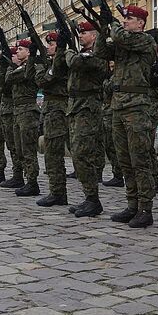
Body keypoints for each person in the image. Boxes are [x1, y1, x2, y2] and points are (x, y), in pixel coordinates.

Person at [94, 5, 158, 228]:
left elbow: (121, 38)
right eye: (124, 19)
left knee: (139, 159)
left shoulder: (145, 41)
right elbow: (100, 52)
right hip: (118, 105)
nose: (125, 22)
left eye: (129, 19)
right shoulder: (122, 41)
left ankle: (144, 208)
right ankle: (132, 204)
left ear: (141, 22)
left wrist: (111, 23)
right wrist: (103, 28)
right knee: (125, 160)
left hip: (136, 106)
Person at [64, 21, 108, 216]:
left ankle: (93, 199)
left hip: (89, 108)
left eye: (85, 33)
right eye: (79, 33)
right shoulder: (82, 53)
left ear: (95, 35)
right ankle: (89, 197)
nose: (80, 36)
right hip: (76, 107)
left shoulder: (98, 56)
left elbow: (74, 62)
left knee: (83, 153)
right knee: (77, 154)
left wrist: (67, 50)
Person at [35, 31, 69, 207]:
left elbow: (44, 81)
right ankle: (56, 191)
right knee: (51, 153)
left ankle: (58, 192)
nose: (48, 47)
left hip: (58, 110)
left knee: (54, 153)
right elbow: (38, 79)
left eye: (52, 44)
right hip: (50, 110)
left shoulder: (61, 61)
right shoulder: (53, 62)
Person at [5, 39, 41, 197]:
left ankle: (33, 182)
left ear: (28, 52)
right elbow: (7, 80)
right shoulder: (19, 68)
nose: (17, 52)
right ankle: (25, 179)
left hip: (28, 111)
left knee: (28, 149)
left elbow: (24, 76)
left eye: (20, 49)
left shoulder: (32, 66)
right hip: (17, 111)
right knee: (19, 148)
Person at [0, 48, 24, 188]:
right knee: (12, 146)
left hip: (18, 111)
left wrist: (7, 68)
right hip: (12, 111)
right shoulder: (14, 69)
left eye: (15, 54)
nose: (15, 56)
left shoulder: (24, 69)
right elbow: (1, 86)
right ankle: (17, 175)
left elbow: (7, 83)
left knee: (20, 147)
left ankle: (23, 176)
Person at [100, 62, 124, 187]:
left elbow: (109, 88)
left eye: (113, 67)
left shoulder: (116, 76)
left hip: (112, 112)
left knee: (114, 145)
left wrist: (105, 79)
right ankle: (117, 174)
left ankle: (119, 175)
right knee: (108, 145)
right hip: (106, 112)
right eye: (110, 67)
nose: (111, 69)